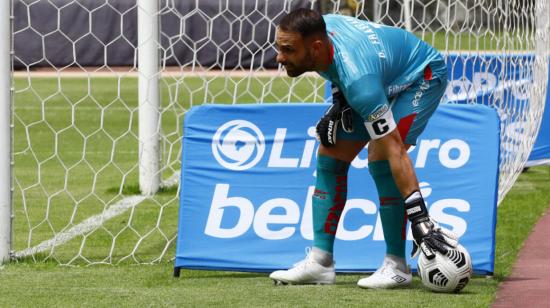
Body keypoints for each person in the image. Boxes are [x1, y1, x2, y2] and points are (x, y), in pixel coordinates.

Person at [269, 8, 457, 289]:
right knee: (330, 155)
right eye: (278, 47)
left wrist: (420, 218)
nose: (279, 57)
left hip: (421, 76)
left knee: (381, 156)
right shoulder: (322, 35)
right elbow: (341, 64)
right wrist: (338, 100)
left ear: (316, 47)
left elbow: (396, 150)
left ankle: (397, 266)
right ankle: (320, 262)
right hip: (377, 75)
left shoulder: (359, 82)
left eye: (287, 50)